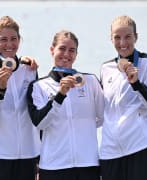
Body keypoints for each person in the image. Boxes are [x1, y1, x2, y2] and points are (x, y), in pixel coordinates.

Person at [26, 30, 104, 180]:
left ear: (76, 54)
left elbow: (102, 117)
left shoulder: (91, 81)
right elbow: (40, 123)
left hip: (88, 164)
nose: (66, 54)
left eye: (72, 50)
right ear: (52, 50)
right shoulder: (38, 86)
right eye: (62, 48)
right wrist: (60, 95)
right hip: (53, 166)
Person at [99, 15, 147, 180]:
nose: (122, 43)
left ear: (136, 37)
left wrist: (137, 84)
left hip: (142, 148)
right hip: (111, 153)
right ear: (111, 39)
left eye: (128, 36)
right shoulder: (105, 68)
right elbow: (101, 109)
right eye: (117, 37)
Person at [0, 15, 41, 180]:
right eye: (3, 39)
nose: (9, 44)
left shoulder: (29, 69)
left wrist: (40, 156)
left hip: (27, 155)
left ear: (20, 40)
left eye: (14, 39)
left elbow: (36, 114)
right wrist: (1, 89)